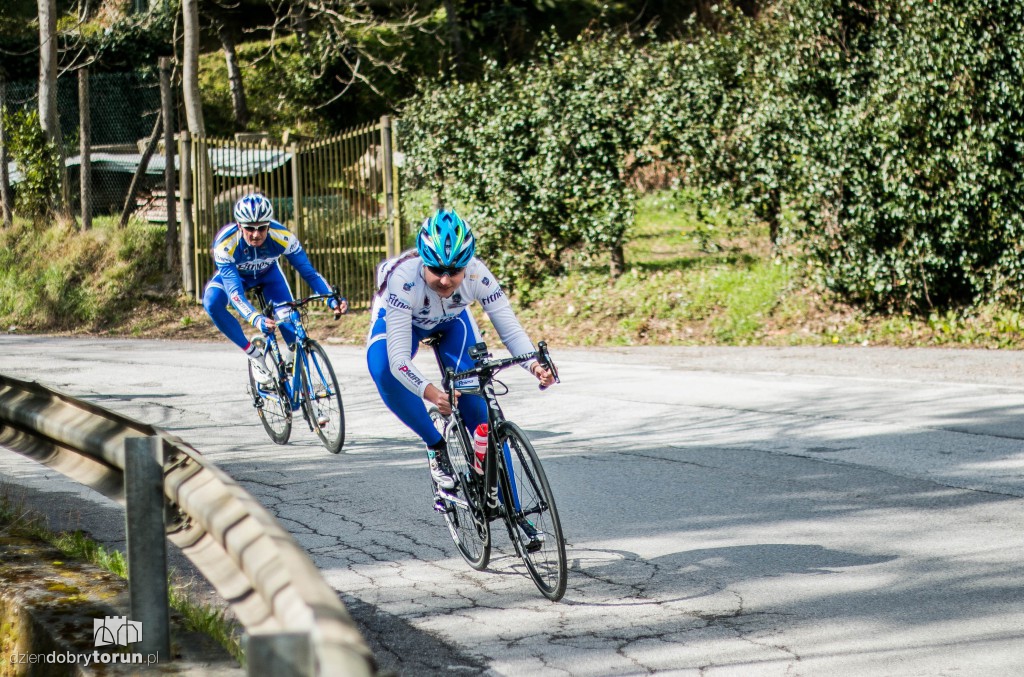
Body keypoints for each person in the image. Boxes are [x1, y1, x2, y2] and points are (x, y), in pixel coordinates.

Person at [366, 208, 555, 490]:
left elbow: (510, 329)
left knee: (479, 411)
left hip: (452, 324)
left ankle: (510, 507)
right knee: (381, 368)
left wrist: (534, 365)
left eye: (455, 271)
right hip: (404, 323)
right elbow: (398, 360)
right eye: (436, 270)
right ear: (423, 262)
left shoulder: (478, 275)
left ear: (467, 265)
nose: (445, 280)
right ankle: (436, 445)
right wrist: (432, 393)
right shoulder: (403, 279)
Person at [203, 193, 347, 384]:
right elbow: (235, 294)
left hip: (269, 276)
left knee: (289, 325)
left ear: (269, 225)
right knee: (211, 302)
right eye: (249, 228)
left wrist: (331, 299)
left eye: (262, 228)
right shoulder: (225, 244)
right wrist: (256, 319)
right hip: (237, 277)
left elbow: (309, 273)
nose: (256, 234)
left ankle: (293, 369)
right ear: (239, 226)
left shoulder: (282, 236)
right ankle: (254, 355)